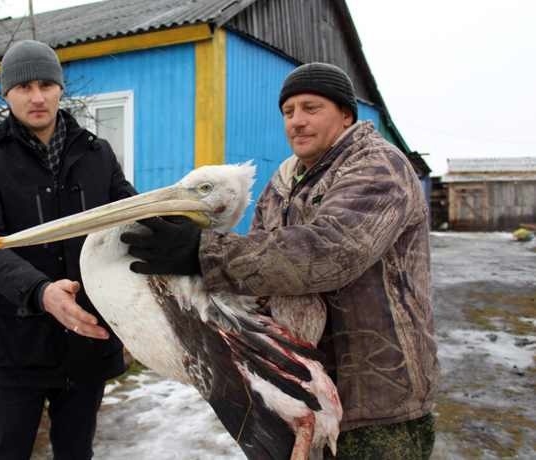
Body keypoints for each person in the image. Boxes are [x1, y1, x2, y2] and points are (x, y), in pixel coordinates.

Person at [123, 62, 438, 459]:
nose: (297, 122)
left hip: (378, 403)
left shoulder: (378, 167)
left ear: (345, 114)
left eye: (311, 108)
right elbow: (260, 271)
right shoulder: (284, 182)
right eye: (288, 112)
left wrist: (202, 252)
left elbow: (332, 251)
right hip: (303, 392)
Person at [0, 39, 135, 459]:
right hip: (17, 344)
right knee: (5, 451)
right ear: (7, 94)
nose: (37, 97)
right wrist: (41, 292)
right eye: (23, 87)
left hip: (85, 338)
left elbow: (131, 218)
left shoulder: (96, 153)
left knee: (77, 452)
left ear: (60, 87)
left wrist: (183, 225)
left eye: (45, 84)